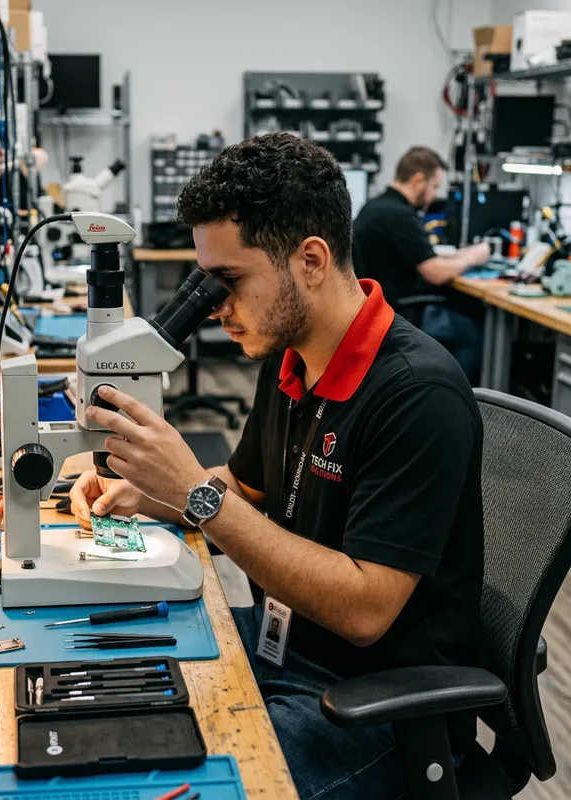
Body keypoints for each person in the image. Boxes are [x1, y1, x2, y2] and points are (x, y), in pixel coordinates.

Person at [69, 133, 484, 800]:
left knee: (156, 788)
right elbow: (243, 488)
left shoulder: (417, 394)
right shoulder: (292, 359)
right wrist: (146, 492)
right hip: (284, 651)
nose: (218, 307)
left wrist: (195, 497)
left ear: (311, 260)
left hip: (377, 710)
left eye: (230, 282)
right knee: (107, 698)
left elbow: (365, 609)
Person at [353, 146, 490, 380]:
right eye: (435, 186)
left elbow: (422, 255)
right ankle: (460, 398)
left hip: (381, 306)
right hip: (400, 310)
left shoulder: (376, 206)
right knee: (471, 335)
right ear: (419, 180)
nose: (435, 195)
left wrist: (459, 255)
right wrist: (473, 257)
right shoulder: (400, 215)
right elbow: (435, 273)